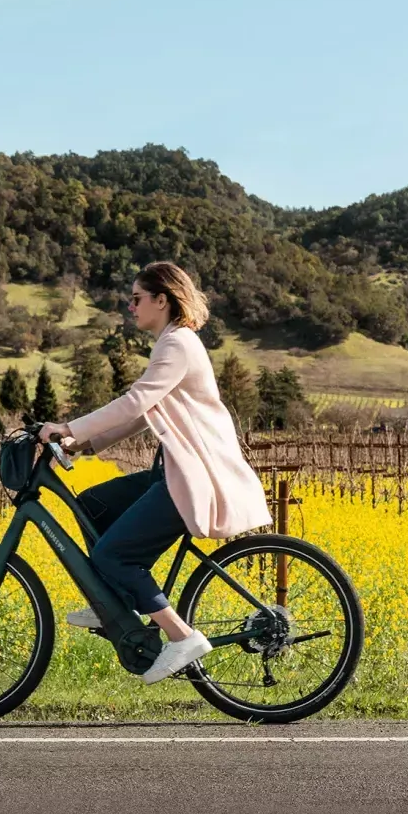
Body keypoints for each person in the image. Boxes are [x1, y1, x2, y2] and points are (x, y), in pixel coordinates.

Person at [38, 261, 274, 684]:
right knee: (91, 505)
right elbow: (144, 412)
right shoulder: (171, 342)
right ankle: (116, 599)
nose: (130, 307)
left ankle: (181, 637)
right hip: (174, 470)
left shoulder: (178, 344)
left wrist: (69, 427)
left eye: (136, 298)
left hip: (192, 475)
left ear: (161, 300)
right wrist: (84, 444)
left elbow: (134, 403)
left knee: (112, 554)